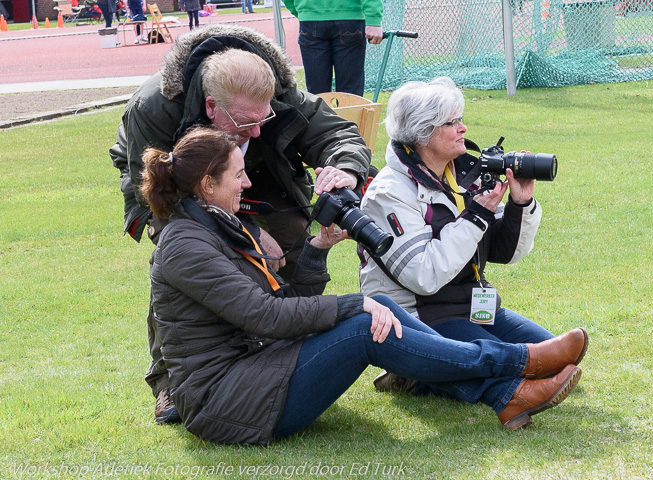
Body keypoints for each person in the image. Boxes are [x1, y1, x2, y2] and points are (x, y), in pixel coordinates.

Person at [140, 126, 586, 443]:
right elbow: (266, 316)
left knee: (372, 316)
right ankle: (516, 366)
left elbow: (279, 304)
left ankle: (509, 392)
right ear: (205, 184)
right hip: (225, 401)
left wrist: (317, 247)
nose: (248, 181)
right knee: (363, 322)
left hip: (253, 371)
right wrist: (356, 304)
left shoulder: (214, 225)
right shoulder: (185, 245)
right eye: (238, 175)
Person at [109, 25, 372, 425]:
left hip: (267, 181)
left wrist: (345, 170)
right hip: (173, 186)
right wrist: (242, 229)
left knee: (298, 251)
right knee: (184, 263)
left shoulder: (276, 94)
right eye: (246, 122)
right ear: (211, 107)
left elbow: (338, 134)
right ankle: (167, 382)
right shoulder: (156, 107)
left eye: (264, 118)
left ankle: (290, 362)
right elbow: (157, 196)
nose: (256, 131)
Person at [359, 77, 588, 404]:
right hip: (418, 316)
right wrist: (476, 215)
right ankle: (414, 369)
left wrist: (520, 203)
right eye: (452, 123)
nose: (464, 128)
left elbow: (502, 252)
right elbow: (424, 276)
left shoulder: (459, 173)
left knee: (560, 363)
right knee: (515, 370)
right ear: (423, 133)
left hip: (470, 305)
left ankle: (421, 374)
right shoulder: (389, 194)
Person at [284, 0, 384, 96]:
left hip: (309, 17)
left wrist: (303, 12)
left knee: (317, 94)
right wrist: (373, 19)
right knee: (350, 94)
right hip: (349, 16)